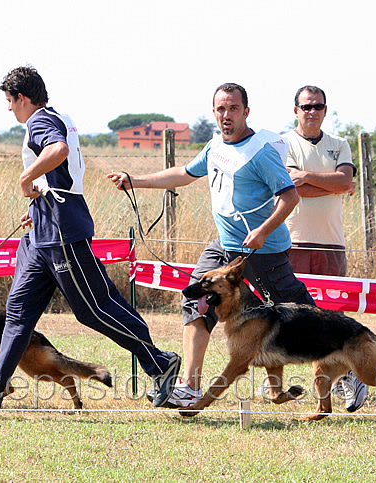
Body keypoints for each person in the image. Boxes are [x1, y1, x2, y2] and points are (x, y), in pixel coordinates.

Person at [0, 66, 180, 411]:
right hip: (42, 232)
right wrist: (37, 202)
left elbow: (58, 151)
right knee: (18, 312)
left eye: (10, 101)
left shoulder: (40, 122)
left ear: (22, 98)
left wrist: (26, 179)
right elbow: (60, 174)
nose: (9, 109)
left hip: (61, 232)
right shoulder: (56, 116)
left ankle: (160, 363)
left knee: (95, 310)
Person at [108, 83, 317, 409]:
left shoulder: (260, 154)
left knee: (304, 316)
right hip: (224, 247)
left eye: (233, 108)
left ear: (246, 112)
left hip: (262, 251)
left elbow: (290, 197)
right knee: (194, 297)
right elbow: (184, 173)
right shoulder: (216, 145)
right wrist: (135, 181)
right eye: (221, 109)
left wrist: (262, 231)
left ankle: (346, 371)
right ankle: (189, 386)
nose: (226, 115)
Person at [284, 84, 368, 411]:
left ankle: (348, 376)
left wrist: (307, 178)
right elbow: (290, 185)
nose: (312, 111)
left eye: (317, 106)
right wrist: (328, 183)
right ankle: (280, 376)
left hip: (332, 244)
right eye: (306, 106)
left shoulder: (340, 144)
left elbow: (345, 183)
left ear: (325, 110)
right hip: (292, 242)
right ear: (296, 110)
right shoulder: (284, 143)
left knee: (334, 318)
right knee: (293, 314)